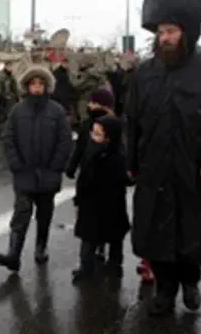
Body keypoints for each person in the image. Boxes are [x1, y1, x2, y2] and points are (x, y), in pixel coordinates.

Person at [127, 0, 201, 316]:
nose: (165, 38)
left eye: (171, 31)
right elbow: (132, 121)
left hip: (194, 167)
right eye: (160, 32)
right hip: (155, 167)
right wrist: (131, 163)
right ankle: (165, 288)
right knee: (157, 234)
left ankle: (190, 282)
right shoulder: (145, 73)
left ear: (187, 33)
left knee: (192, 232)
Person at [0, 65, 74, 272]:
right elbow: (9, 138)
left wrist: (57, 165)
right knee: (21, 212)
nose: (37, 88)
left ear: (46, 86)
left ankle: (41, 247)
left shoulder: (56, 111)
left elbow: (65, 141)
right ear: (27, 87)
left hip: (48, 174)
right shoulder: (18, 110)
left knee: (44, 214)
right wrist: (15, 163)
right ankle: (14, 254)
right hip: (24, 173)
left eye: (41, 84)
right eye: (33, 84)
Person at [70, 115, 130, 281]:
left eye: (98, 134)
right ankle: (85, 266)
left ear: (109, 138)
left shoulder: (117, 158)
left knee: (114, 237)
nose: (93, 137)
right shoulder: (92, 152)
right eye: (93, 133)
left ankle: (115, 262)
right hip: (90, 204)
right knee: (88, 238)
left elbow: (123, 180)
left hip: (111, 205)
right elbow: (84, 177)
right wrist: (79, 197)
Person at [66, 87, 115, 262]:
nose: (89, 105)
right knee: (88, 216)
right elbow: (79, 149)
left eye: (93, 102)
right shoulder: (88, 125)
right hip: (87, 178)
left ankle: (99, 246)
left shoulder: (110, 125)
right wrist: (71, 167)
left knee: (100, 216)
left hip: (103, 180)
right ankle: (91, 251)